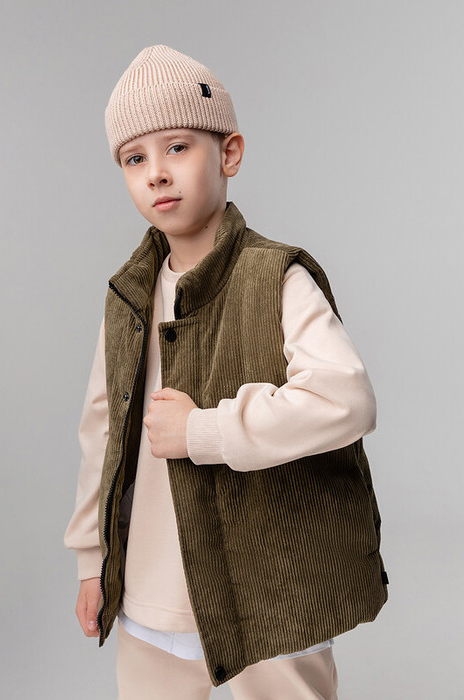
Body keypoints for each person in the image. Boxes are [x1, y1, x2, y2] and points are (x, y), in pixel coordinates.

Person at [64, 44, 389, 699]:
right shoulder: (128, 295)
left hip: (268, 588)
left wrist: (204, 432)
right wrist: (92, 559)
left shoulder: (276, 277)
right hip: (151, 592)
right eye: (134, 158)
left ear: (229, 153)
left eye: (177, 147)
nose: (157, 173)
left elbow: (345, 399)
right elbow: (102, 431)